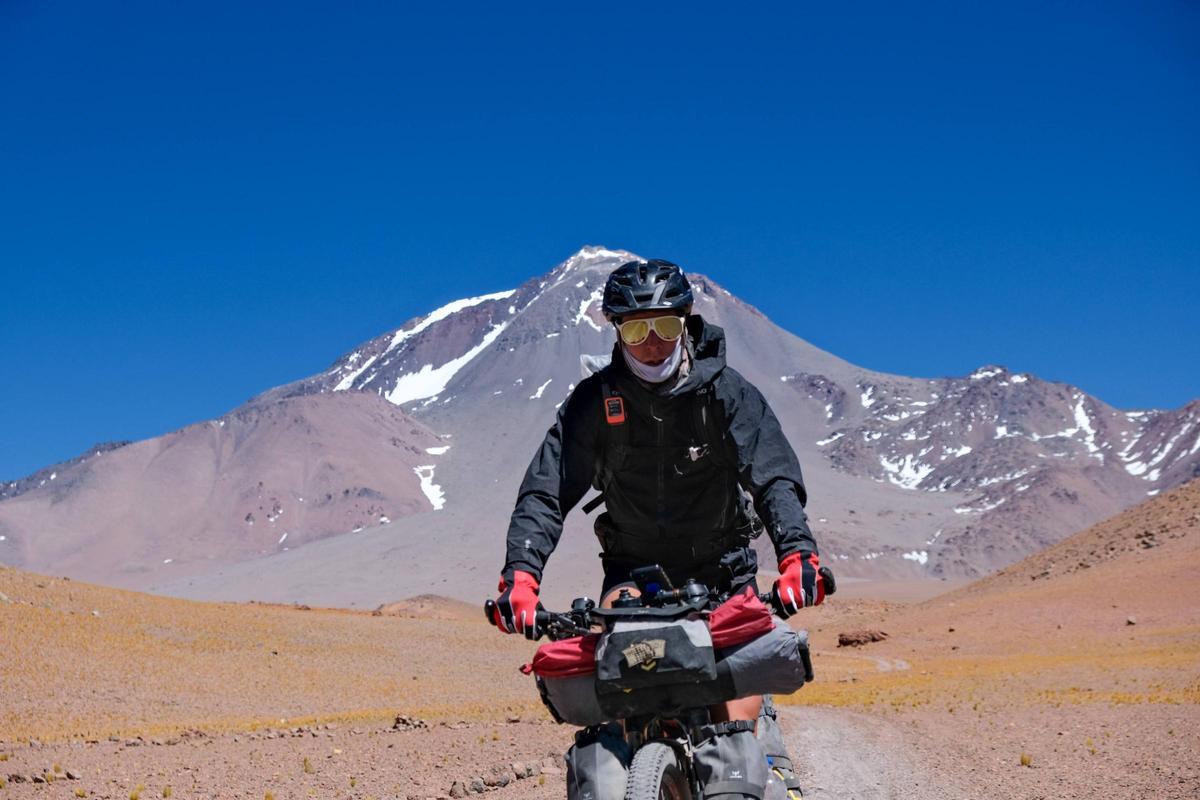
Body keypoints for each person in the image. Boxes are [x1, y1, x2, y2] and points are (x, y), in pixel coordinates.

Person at [491, 259, 824, 800]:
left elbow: (774, 477)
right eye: (635, 328)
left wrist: (796, 556)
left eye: (665, 326)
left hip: (722, 571)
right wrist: (520, 579)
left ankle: (765, 763)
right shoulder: (594, 403)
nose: (651, 343)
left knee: (735, 726)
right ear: (615, 328)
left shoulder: (727, 394)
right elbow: (546, 493)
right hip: (632, 575)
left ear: (686, 323)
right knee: (616, 709)